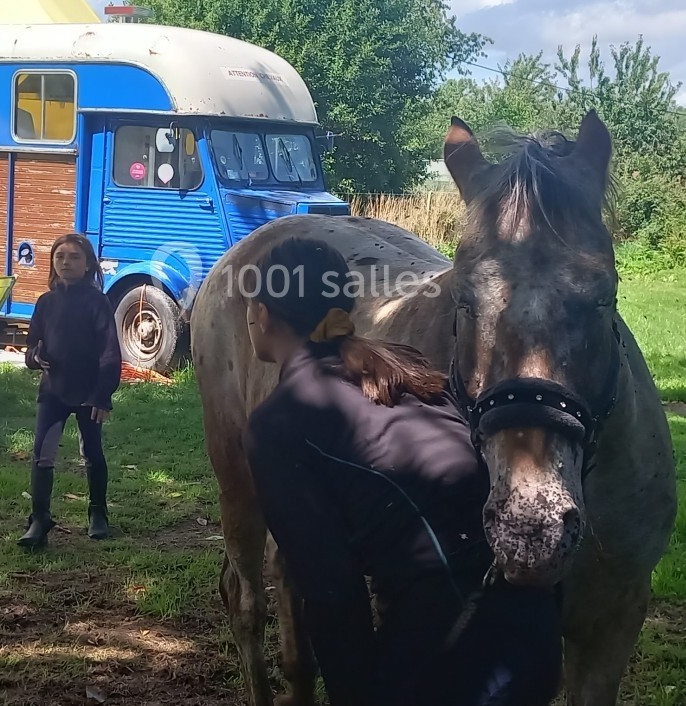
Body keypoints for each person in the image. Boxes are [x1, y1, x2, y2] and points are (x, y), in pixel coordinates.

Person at [241, 236, 563, 706]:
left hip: (456, 654)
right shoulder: (401, 365)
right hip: (534, 628)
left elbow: (333, 593)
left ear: (263, 316)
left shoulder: (279, 423)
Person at [20, 233, 122, 547]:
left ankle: (97, 512)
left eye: (75, 257)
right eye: (60, 256)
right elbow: (30, 349)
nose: (66, 262)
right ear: (52, 261)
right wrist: (36, 357)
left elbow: (109, 352)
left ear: (88, 263)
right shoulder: (45, 302)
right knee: (43, 455)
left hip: (89, 391)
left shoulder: (97, 302)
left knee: (92, 452)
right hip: (53, 392)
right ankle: (39, 519)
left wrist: (103, 394)